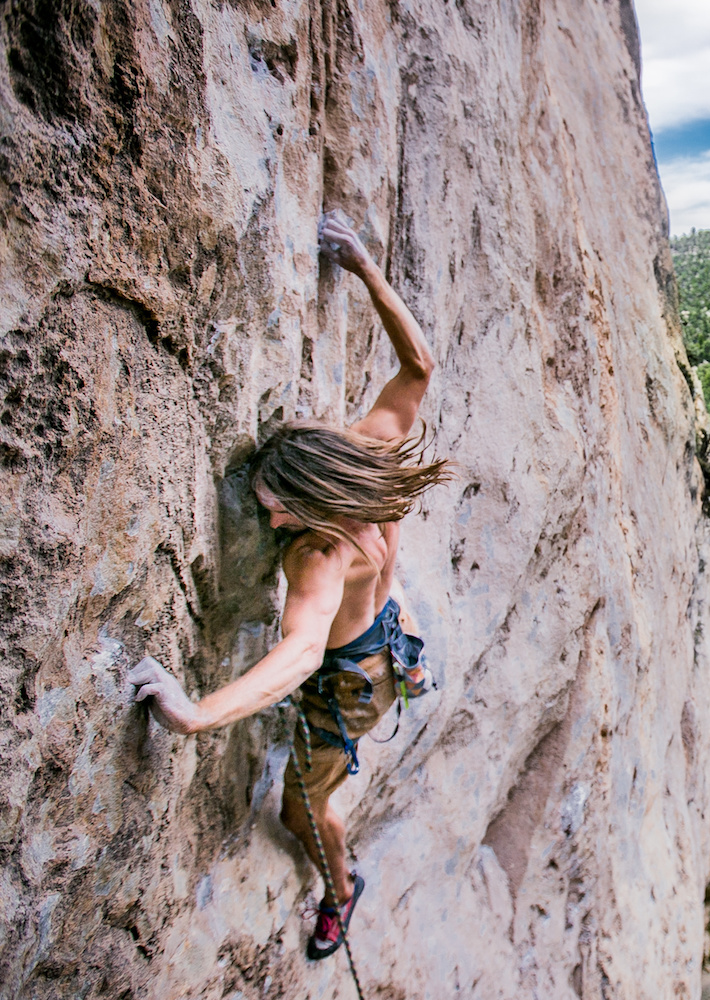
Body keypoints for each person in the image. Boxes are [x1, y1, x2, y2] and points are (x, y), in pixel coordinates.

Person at [126, 212, 449, 960]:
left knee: (303, 809)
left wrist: (198, 714)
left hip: (350, 682)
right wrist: (364, 264)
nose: (270, 521)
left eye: (278, 507)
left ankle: (341, 891)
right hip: (382, 638)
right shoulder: (367, 454)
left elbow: (305, 652)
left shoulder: (317, 552)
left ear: (310, 503)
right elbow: (419, 368)